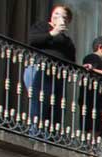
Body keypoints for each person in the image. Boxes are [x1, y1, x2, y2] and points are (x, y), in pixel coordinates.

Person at [26, 4, 76, 132]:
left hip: (58, 76)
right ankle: (35, 134)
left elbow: (71, 61)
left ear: (68, 21)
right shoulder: (42, 27)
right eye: (57, 14)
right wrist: (53, 33)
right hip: (40, 69)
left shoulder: (67, 41)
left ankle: (51, 136)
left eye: (63, 16)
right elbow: (32, 40)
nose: (59, 18)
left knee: (56, 108)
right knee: (39, 103)